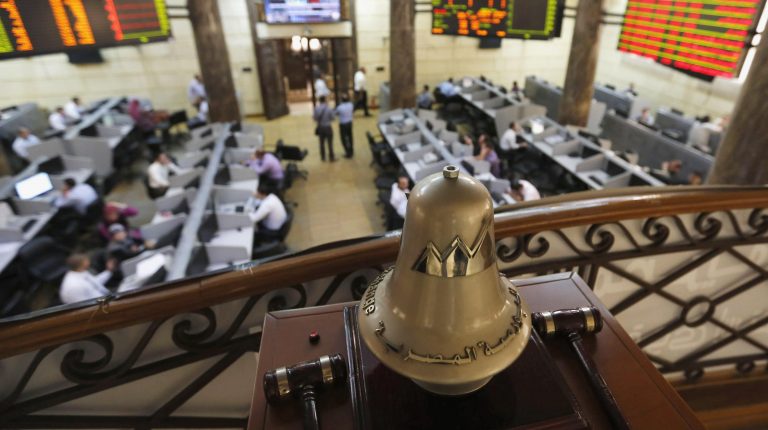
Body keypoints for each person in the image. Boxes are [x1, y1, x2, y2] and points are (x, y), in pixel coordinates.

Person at [313, 96, 335, 162]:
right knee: (330, 143)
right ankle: (331, 157)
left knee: (321, 143)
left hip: (321, 127)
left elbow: (315, 118)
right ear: (325, 100)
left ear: (319, 101)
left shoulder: (316, 108)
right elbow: (333, 118)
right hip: (328, 127)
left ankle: (323, 157)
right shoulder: (329, 108)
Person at [335, 94, 355, 158]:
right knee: (350, 137)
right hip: (349, 123)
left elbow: (336, 113)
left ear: (342, 100)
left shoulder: (340, 107)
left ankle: (347, 152)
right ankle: (351, 151)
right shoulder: (351, 105)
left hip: (343, 124)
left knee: (344, 139)